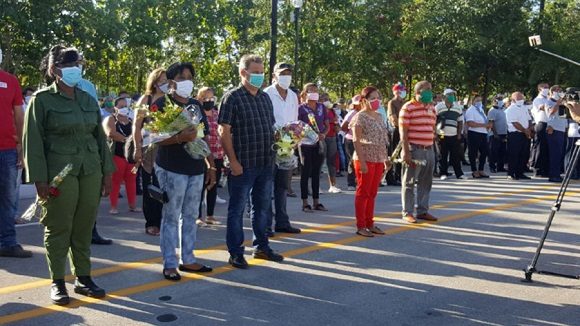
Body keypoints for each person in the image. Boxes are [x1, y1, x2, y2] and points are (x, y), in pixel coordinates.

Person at [24, 45, 115, 304]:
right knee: (58, 225)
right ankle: (57, 281)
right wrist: (39, 179)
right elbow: (33, 142)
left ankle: (83, 278)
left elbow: (99, 138)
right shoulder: (42, 100)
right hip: (59, 172)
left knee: (85, 225)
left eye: (79, 64)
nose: (77, 69)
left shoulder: (87, 98)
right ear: (54, 70)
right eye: (70, 65)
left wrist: (107, 172)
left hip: (90, 169)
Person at [219, 54, 284, 269]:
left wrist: (285, 141)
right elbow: (224, 132)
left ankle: (262, 247)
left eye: (261, 72)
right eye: (255, 72)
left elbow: (270, 127)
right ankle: (236, 252)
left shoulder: (265, 98)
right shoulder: (232, 97)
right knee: (236, 210)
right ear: (243, 73)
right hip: (243, 165)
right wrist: (233, 161)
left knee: (262, 207)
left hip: (266, 162)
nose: (259, 76)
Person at [152, 62, 214, 281]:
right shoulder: (162, 104)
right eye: (181, 78)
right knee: (171, 216)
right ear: (170, 82)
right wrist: (179, 138)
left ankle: (187, 259)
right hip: (172, 169)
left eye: (189, 77)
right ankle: (169, 263)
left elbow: (204, 136)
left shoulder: (196, 105)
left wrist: (211, 165)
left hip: (196, 167)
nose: (186, 81)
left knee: (190, 215)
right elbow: (155, 138)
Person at [0, 46, 32, 258]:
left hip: (8, 149)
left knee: (9, 198)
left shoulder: (11, 80)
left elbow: (19, 115)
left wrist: (21, 147)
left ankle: (8, 242)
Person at [264, 62, 302, 235]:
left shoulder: (294, 95)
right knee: (266, 186)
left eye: (288, 73)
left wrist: (295, 137)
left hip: (288, 145)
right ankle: (265, 223)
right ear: (274, 76)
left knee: (282, 186)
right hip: (270, 144)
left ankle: (282, 221)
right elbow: (265, 119)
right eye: (282, 73)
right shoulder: (266, 94)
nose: (286, 76)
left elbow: (294, 120)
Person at [350, 86, 391, 237]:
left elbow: (382, 140)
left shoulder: (379, 116)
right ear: (364, 100)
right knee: (363, 192)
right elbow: (356, 140)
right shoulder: (360, 117)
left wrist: (385, 158)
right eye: (372, 98)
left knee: (372, 193)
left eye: (378, 97)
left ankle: (370, 223)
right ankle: (361, 225)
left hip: (378, 158)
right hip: (365, 158)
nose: (376, 101)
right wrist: (362, 162)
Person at [134, 68, 167, 236]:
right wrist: (138, 148)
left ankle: (163, 223)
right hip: (149, 150)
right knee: (150, 187)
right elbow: (137, 126)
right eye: (161, 80)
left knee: (165, 188)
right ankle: (151, 223)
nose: (165, 84)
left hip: (168, 150)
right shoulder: (146, 99)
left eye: (167, 80)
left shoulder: (172, 100)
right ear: (154, 82)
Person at [399, 81, 438, 224]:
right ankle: (407, 212)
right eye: (427, 90)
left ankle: (422, 211)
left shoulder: (432, 108)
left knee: (426, 182)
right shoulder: (408, 107)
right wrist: (405, 151)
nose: (430, 92)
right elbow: (403, 132)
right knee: (409, 181)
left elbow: (432, 129)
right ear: (418, 91)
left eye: (430, 89)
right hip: (414, 149)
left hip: (429, 149)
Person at [103, 97, 139, 214]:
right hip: (117, 155)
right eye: (121, 106)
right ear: (115, 107)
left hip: (130, 157)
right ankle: (113, 207)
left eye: (126, 106)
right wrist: (129, 140)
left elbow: (138, 134)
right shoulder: (110, 119)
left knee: (132, 181)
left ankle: (132, 205)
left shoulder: (131, 120)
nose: (124, 109)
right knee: (116, 181)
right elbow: (111, 133)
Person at [196, 87, 226, 226]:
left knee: (213, 184)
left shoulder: (217, 113)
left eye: (211, 98)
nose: (209, 101)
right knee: (200, 186)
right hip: (202, 155)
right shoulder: (197, 114)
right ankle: (198, 216)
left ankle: (210, 215)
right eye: (205, 98)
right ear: (199, 99)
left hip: (218, 153)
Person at [298, 83, 329, 212]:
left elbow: (327, 124)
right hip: (305, 143)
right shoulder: (300, 108)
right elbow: (296, 125)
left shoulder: (321, 107)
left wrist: (324, 134)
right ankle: (305, 202)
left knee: (316, 172)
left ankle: (316, 201)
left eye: (316, 90)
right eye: (311, 90)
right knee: (306, 172)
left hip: (318, 143)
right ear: (304, 93)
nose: (314, 92)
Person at [435, 88, 464, 180]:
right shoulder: (438, 107)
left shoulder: (457, 107)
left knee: (455, 154)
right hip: (442, 134)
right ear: (445, 96)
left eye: (453, 95)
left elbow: (460, 121)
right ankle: (443, 173)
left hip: (454, 134)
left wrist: (459, 133)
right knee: (443, 154)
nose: (452, 97)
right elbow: (434, 120)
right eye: (450, 95)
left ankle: (459, 174)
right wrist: (436, 133)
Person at [505, 92, 533, 180]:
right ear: (513, 100)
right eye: (519, 98)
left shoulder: (524, 108)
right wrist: (525, 130)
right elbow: (514, 123)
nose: (521, 100)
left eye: (522, 98)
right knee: (514, 154)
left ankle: (520, 172)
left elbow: (529, 119)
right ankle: (511, 173)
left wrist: (528, 129)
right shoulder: (510, 109)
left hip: (525, 134)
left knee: (524, 154)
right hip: (515, 134)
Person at [320, 92, 342, 193]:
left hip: (332, 137)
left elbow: (337, 123)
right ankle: (317, 186)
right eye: (324, 99)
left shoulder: (332, 110)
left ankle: (333, 185)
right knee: (319, 162)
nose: (326, 101)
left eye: (328, 99)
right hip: (322, 137)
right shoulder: (319, 110)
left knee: (331, 161)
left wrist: (337, 127)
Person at [465, 96, 490, 178]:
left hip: (483, 133)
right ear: (473, 101)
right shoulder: (470, 110)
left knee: (484, 151)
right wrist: (484, 125)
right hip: (474, 133)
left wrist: (487, 125)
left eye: (480, 100)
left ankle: (481, 169)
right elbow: (470, 123)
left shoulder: (481, 110)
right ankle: (474, 170)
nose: (479, 102)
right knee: (473, 152)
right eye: (477, 100)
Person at [545, 85, 567, 183]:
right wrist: (558, 103)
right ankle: (553, 175)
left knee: (559, 154)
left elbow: (563, 116)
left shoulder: (562, 103)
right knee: (554, 154)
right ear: (553, 92)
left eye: (560, 90)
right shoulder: (549, 101)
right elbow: (551, 112)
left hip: (561, 129)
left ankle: (557, 173)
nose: (559, 91)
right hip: (553, 129)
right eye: (557, 90)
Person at [530, 83, 551, 177]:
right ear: (539, 89)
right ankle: (537, 169)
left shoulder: (548, 99)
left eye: (548, 87)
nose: (547, 89)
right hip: (541, 124)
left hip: (549, 124)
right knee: (539, 147)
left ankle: (545, 169)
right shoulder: (537, 99)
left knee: (546, 148)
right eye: (545, 87)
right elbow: (542, 108)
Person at [387, 82, 406, 186]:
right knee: (395, 153)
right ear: (396, 92)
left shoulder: (404, 102)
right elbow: (393, 118)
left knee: (403, 153)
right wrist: (402, 126)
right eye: (401, 91)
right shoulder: (392, 102)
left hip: (404, 129)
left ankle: (400, 175)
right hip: (396, 129)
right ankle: (393, 176)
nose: (403, 93)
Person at [341, 95, 362, 190]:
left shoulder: (365, 113)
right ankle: (351, 183)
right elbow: (343, 126)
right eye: (358, 104)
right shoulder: (352, 114)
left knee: (360, 161)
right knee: (352, 161)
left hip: (362, 141)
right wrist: (351, 130)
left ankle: (359, 181)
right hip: (351, 140)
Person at [488, 95, 508, 173]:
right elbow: (491, 123)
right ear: (495, 101)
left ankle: (500, 167)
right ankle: (492, 167)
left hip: (503, 133)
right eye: (499, 99)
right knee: (494, 151)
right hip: (495, 134)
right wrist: (495, 134)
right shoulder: (492, 110)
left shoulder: (503, 110)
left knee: (502, 151)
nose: (501, 100)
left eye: (501, 99)